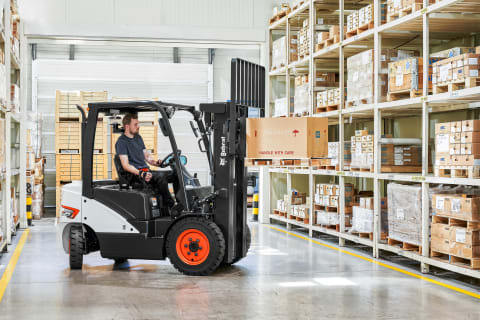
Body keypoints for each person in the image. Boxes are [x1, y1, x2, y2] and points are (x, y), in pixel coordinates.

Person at [115, 113, 175, 207]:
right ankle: (171, 206)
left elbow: (147, 156)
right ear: (127, 126)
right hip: (135, 176)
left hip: (146, 171)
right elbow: (125, 165)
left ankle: (180, 202)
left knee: (175, 174)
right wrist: (141, 174)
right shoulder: (121, 142)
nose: (138, 126)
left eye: (138, 124)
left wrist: (155, 162)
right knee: (161, 178)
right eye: (135, 124)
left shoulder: (138, 138)